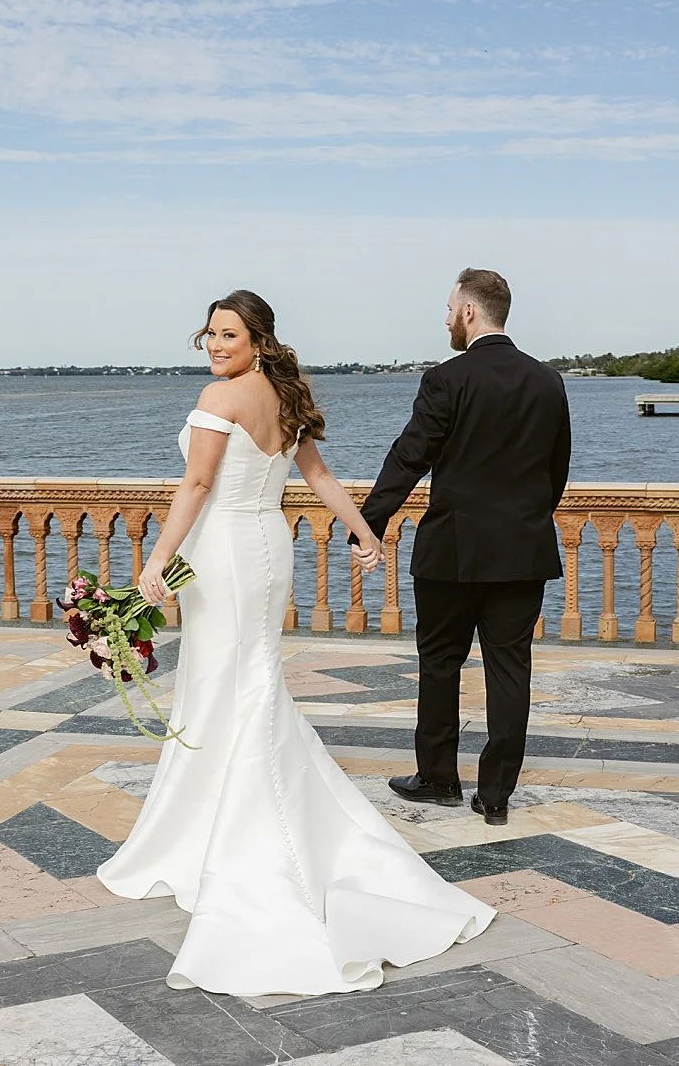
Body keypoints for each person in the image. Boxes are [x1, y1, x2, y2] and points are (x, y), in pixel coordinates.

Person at [98, 290, 495, 996]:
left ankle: (237, 841)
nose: (217, 345)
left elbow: (196, 483)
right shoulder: (283, 396)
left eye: (230, 334)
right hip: (267, 548)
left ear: (258, 338)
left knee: (229, 682)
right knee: (240, 680)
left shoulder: (220, 399)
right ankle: (211, 825)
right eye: (211, 334)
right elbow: (314, 478)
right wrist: (367, 532)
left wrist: (156, 558)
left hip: (223, 549)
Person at [353, 268, 571, 826]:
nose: (446, 317)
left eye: (450, 307)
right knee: (509, 670)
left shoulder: (446, 379)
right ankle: (495, 795)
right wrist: (524, 522)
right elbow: (556, 472)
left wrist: (368, 524)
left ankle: (439, 779)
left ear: (469, 312)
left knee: (441, 664)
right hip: (522, 551)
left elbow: (409, 456)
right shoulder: (548, 382)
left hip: (451, 552)